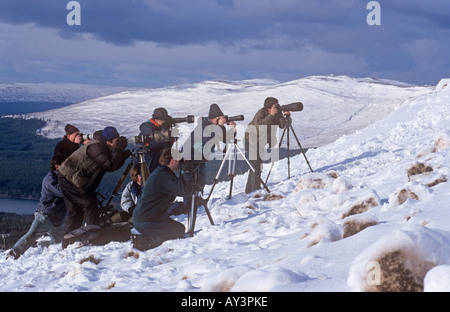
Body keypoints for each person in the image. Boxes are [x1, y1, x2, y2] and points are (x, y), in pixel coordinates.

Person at [57, 126, 131, 247]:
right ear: (108, 142)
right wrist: (120, 151)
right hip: (69, 180)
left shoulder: (101, 145)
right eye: (116, 141)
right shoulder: (96, 147)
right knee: (89, 204)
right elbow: (109, 165)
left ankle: (68, 243)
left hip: (68, 178)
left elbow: (110, 164)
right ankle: (94, 239)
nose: (118, 143)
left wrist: (122, 154)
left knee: (75, 212)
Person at [7, 153, 68, 259]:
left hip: (58, 220)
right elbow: (62, 191)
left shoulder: (63, 178)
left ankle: (42, 248)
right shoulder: (50, 179)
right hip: (45, 216)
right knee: (31, 236)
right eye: (65, 164)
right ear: (57, 166)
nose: (68, 167)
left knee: (58, 243)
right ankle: (12, 254)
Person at [132, 148, 193, 250]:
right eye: (179, 160)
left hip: (151, 218)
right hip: (145, 221)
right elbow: (185, 190)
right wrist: (187, 171)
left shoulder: (163, 173)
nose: (180, 163)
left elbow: (180, 186)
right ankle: (145, 242)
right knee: (177, 231)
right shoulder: (163, 176)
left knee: (179, 228)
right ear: (172, 161)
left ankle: (149, 238)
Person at [182, 103, 236, 192]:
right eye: (220, 118)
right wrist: (220, 126)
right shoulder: (203, 126)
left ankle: (198, 204)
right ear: (213, 118)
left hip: (200, 159)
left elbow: (226, 140)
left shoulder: (216, 127)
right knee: (190, 187)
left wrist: (232, 129)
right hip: (189, 159)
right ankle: (189, 205)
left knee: (199, 185)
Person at [244, 97, 290, 194]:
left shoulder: (277, 114)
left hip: (260, 142)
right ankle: (253, 190)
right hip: (250, 141)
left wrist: (287, 117)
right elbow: (261, 126)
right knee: (255, 165)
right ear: (268, 108)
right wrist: (271, 115)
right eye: (274, 106)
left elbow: (282, 125)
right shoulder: (260, 113)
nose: (277, 108)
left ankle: (251, 189)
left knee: (258, 165)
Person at [139, 107, 174, 176]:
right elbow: (155, 143)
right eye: (163, 120)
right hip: (149, 159)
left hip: (157, 158)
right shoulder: (147, 127)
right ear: (156, 120)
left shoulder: (158, 126)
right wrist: (165, 129)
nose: (164, 122)